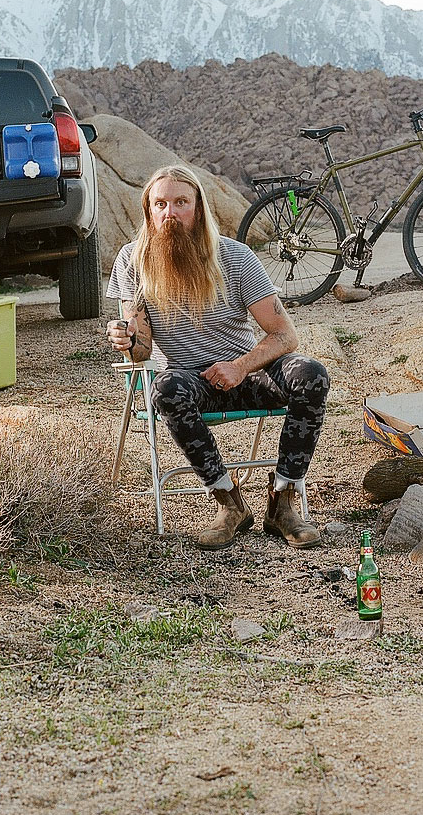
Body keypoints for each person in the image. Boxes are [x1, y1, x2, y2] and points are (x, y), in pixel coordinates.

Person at [107, 164, 330, 551]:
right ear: (148, 211)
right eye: (160, 204)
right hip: (191, 383)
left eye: (181, 202)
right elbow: (141, 350)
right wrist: (126, 338)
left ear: (199, 208)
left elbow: (285, 335)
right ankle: (229, 502)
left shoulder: (236, 257)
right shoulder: (133, 260)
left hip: (248, 374)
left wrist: (240, 366)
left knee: (311, 374)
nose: (170, 213)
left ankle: (283, 501)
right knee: (166, 387)